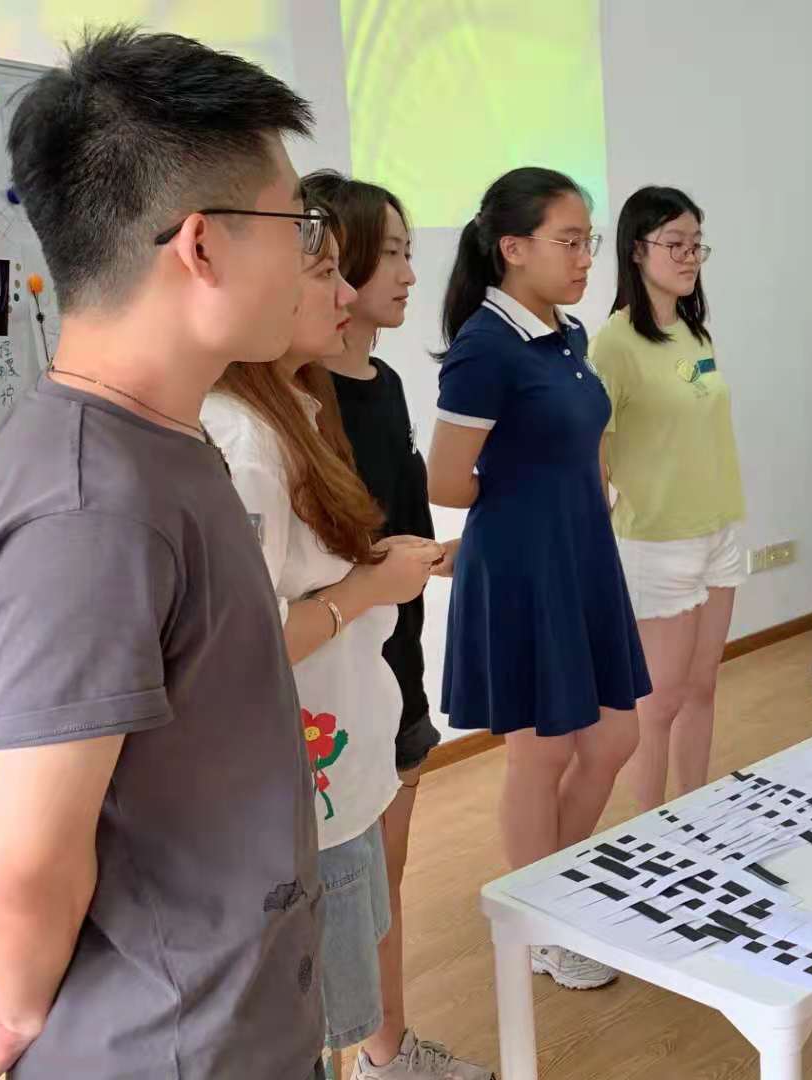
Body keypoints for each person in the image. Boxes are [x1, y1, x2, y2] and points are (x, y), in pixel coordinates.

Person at [0, 28, 326, 1080]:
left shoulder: (155, 439)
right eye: (297, 222)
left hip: (225, 1016)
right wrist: (17, 1014)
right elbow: (28, 860)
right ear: (202, 247)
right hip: (167, 1048)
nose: (312, 256)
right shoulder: (93, 510)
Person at [201, 212, 451, 1078]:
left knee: (338, 993)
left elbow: (297, 579)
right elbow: (250, 639)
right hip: (310, 775)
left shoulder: (295, 410)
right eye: (325, 273)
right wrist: (367, 589)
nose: (346, 294)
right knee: (310, 1018)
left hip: (341, 761)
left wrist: (374, 568)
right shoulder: (246, 438)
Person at [428, 168, 650, 992]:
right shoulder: (484, 349)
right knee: (541, 750)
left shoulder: (568, 333)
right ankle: (542, 926)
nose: (586, 256)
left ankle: (556, 887)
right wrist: (528, 506)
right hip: (524, 566)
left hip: (582, 556)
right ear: (513, 248)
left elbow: (576, 445)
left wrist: (581, 495)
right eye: (570, 241)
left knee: (614, 738)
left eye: (589, 240)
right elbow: (446, 481)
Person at [298, 172, 491, 1080]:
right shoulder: (297, 406)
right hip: (330, 680)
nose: (412, 272)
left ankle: (386, 1050)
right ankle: (374, 1052)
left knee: (384, 881)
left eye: (412, 252)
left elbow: (397, 530)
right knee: (342, 894)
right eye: (396, 254)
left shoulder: (384, 383)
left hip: (394, 663)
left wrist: (454, 552)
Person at [592, 186, 743, 810]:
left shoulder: (693, 331)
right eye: (675, 244)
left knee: (703, 687)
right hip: (657, 540)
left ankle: (695, 814)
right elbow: (595, 451)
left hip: (720, 528)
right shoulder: (613, 343)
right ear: (637, 250)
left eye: (696, 244)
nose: (689, 257)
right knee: (659, 704)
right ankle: (649, 832)